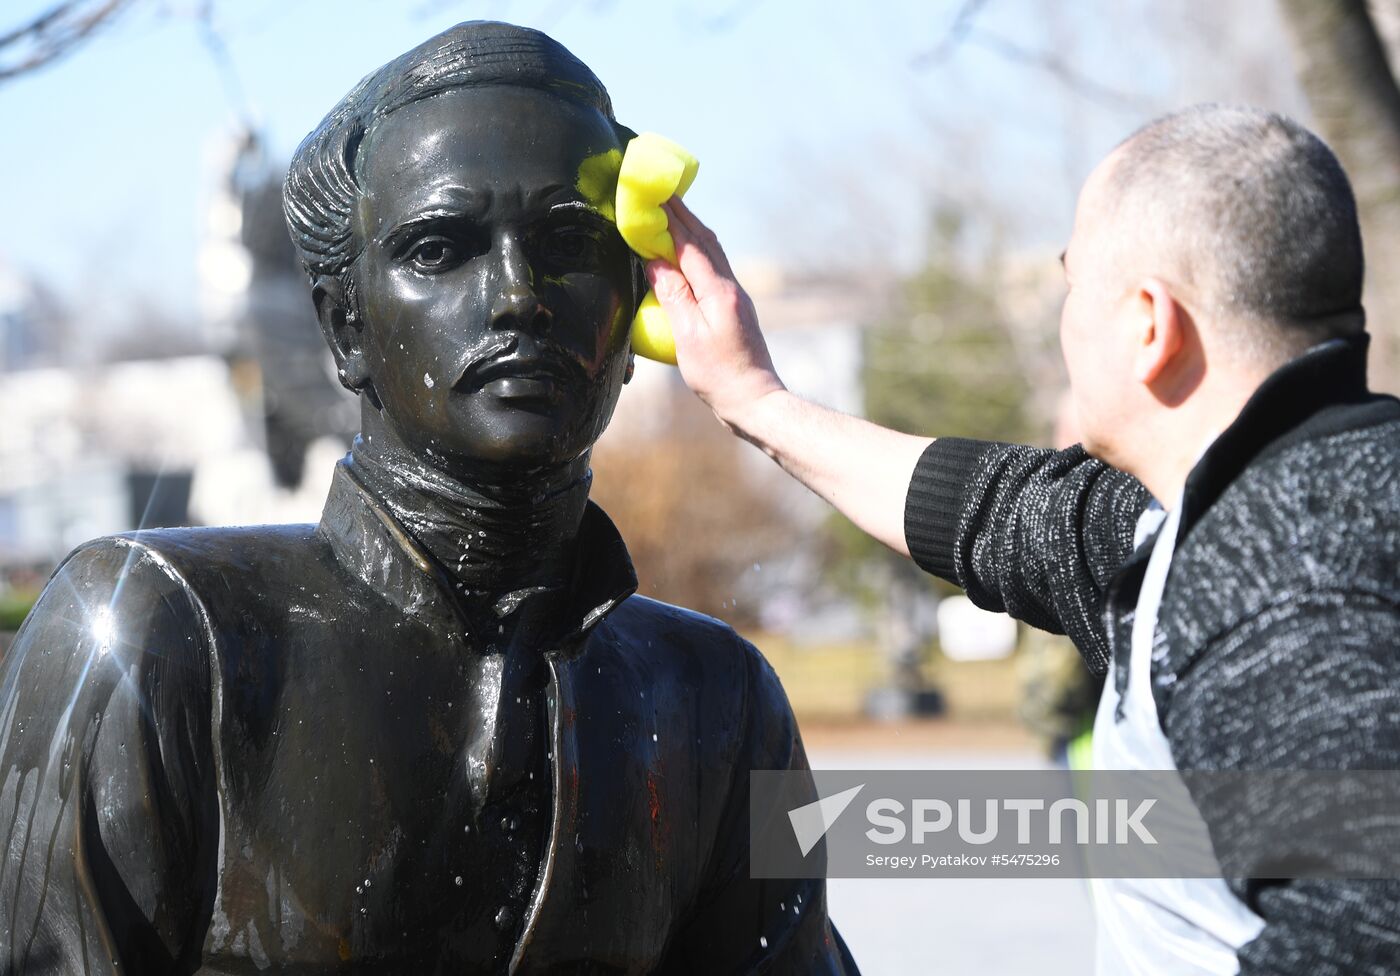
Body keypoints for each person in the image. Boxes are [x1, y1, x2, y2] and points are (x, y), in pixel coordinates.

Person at [0, 22, 858, 974]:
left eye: (569, 242)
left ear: (635, 305)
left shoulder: (720, 696)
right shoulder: (157, 635)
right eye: (441, 248)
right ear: (345, 326)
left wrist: (767, 407)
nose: (519, 295)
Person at [650, 104, 1400, 973]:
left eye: (1073, 286)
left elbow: (1367, 935)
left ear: (1149, 327)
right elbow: (1002, 515)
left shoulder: (1290, 583)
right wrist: (754, 400)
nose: (1063, 323)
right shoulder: (1243, 505)